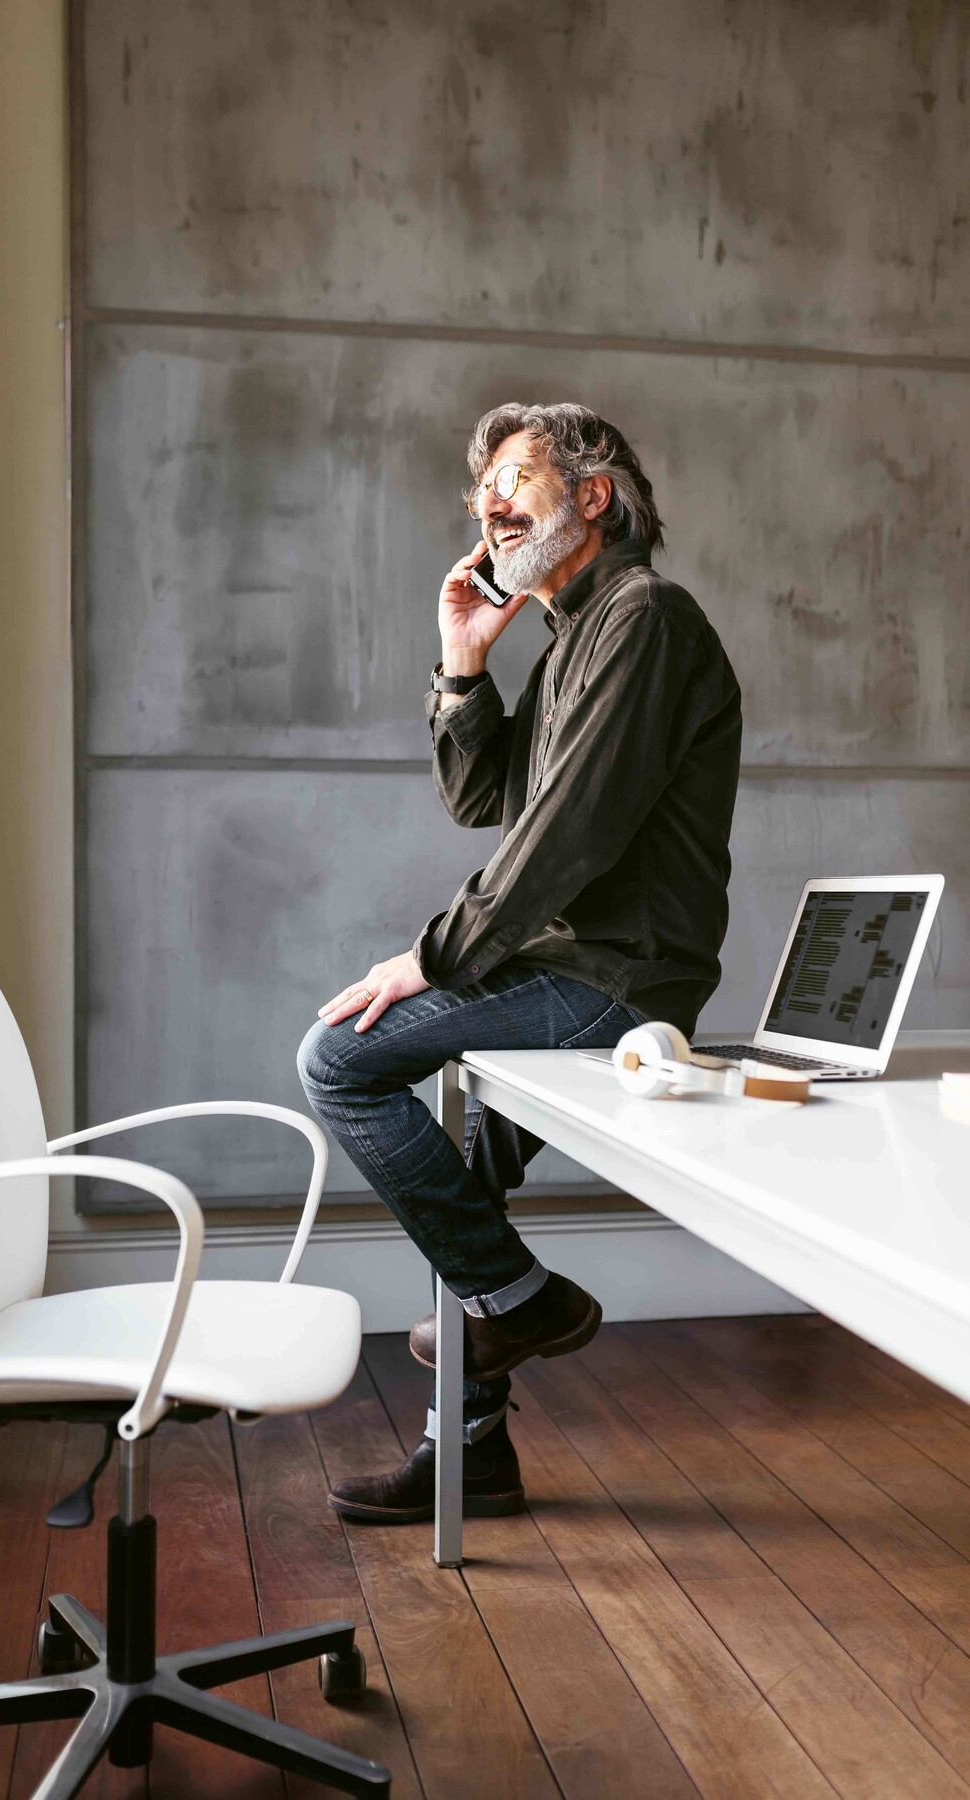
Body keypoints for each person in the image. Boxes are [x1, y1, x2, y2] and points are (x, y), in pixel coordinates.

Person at [297, 402, 742, 1523]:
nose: (486, 503)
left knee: (338, 1062)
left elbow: (570, 833)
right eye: (479, 489)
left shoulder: (645, 619)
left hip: (617, 980)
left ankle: (523, 1302)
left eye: (514, 478)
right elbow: (483, 799)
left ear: (592, 499)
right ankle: (474, 1453)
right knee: (458, 1186)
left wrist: (433, 959)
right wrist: (462, 665)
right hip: (566, 962)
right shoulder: (569, 640)